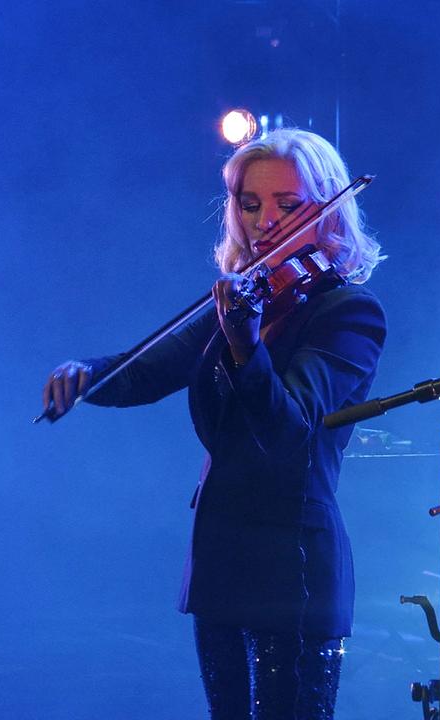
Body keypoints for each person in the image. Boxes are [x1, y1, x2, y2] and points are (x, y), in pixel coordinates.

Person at [42, 128, 385, 719]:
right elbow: (147, 371)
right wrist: (87, 375)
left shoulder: (347, 314)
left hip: (291, 570)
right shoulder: (246, 302)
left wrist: (247, 347)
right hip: (221, 560)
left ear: (327, 210)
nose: (264, 221)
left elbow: (290, 428)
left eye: (288, 204)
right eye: (250, 204)